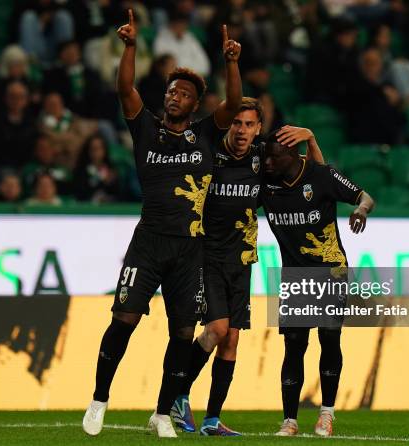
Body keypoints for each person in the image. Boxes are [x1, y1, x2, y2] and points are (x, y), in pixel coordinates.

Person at [82, 10, 243, 438]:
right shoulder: (146, 131)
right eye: (172, 91)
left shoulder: (207, 135)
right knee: (124, 320)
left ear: (194, 104)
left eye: (185, 94)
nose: (176, 97)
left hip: (190, 249)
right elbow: (124, 89)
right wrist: (131, 47)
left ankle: (159, 412)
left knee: (183, 333)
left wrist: (231, 62)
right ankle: (99, 399)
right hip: (148, 242)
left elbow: (232, 104)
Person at [170, 97, 324, 436]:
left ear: (258, 129)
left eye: (249, 125)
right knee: (218, 329)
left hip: (242, 258)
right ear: (229, 124)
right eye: (237, 123)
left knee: (232, 339)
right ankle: (178, 396)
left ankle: (211, 419)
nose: (242, 131)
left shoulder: (263, 159)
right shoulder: (210, 153)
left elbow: (317, 178)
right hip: (206, 255)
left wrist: (310, 139)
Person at [261, 131, 374, 437]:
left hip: (331, 270)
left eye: (275, 157)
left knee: (329, 338)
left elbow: (365, 196)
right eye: (266, 156)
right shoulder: (265, 180)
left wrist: (360, 210)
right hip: (295, 276)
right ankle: (290, 420)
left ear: (294, 155)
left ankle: (326, 414)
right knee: (294, 346)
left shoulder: (320, 176)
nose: (268, 162)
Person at [73, 134, 121, 203]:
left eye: (99, 148)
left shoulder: (111, 170)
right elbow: (79, 195)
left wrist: (110, 183)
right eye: (93, 149)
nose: (96, 152)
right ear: (88, 151)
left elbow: (119, 195)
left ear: (104, 150)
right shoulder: (81, 171)